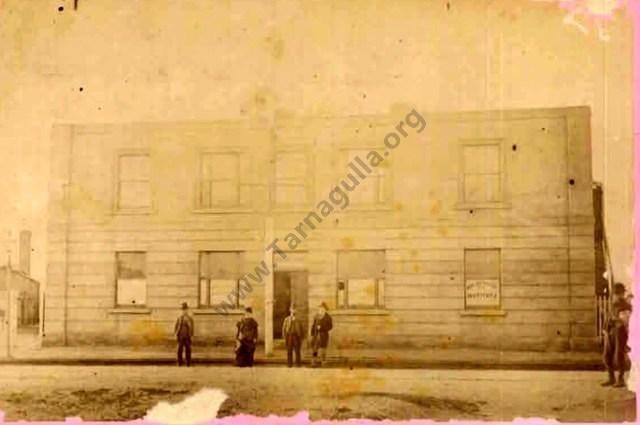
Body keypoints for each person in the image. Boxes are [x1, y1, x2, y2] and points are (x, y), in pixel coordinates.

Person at [602, 282, 632, 387]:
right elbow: (608, 317)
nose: (617, 295)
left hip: (620, 332)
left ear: (623, 294)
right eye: (616, 293)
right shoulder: (613, 305)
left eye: (619, 293)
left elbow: (624, 321)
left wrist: (616, 320)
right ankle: (611, 378)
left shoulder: (626, 305)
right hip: (610, 332)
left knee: (619, 356)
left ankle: (620, 379)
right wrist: (605, 329)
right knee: (606, 356)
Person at [310, 302, 333, 367]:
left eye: (322, 309)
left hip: (323, 335)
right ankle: (314, 362)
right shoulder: (316, 316)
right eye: (320, 309)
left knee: (323, 350)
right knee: (315, 349)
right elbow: (313, 325)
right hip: (316, 335)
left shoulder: (328, 317)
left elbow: (330, 326)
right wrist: (312, 334)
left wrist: (322, 328)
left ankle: (323, 362)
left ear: (325, 309)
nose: (321, 310)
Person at [174, 302, 194, 367]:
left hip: (187, 336)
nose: (184, 311)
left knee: (188, 349)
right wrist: (175, 334)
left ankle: (188, 362)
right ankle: (179, 362)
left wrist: (191, 336)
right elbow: (176, 326)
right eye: (182, 310)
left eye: (185, 309)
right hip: (180, 336)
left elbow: (192, 327)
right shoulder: (179, 318)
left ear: (187, 310)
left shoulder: (190, 318)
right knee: (179, 350)